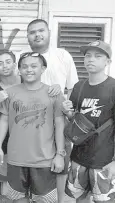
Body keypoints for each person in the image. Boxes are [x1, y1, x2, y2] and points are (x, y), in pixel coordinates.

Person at [0, 52, 66, 203]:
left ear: (43, 69)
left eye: (34, 66)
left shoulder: (53, 93)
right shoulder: (10, 93)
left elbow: (60, 124)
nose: (29, 70)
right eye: (24, 66)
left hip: (44, 159)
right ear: (19, 70)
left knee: (44, 200)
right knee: (17, 200)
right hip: (16, 159)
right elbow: (3, 121)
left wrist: (60, 154)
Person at [26, 19, 79, 203]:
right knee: (34, 159)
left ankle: (59, 199)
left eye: (41, 30)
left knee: (60, 159)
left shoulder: (62, 56)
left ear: (49, 32)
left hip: (59, 119)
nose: (37, 34)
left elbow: (72, 88)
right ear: (28, 37)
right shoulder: (24, 58)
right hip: (32, 119)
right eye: (32, 32)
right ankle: (36, 197)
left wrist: (67, 107)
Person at [63, 40, 115, 203]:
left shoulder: (114, 87)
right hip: (79, 156)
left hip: (104, 159)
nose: (90, 59)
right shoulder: (79, 86)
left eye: (97, 56)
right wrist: (68, 113)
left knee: (105, 200)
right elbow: (76, 120)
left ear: (108, 62)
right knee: (79, 199)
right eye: (87, 56)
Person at [0, 50, 21, 176]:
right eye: (0, 63)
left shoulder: (28, 81)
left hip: (32, 140)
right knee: (12, 179)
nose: (5, 66)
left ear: (14, 64)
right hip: (8, 142)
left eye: (8, 62)